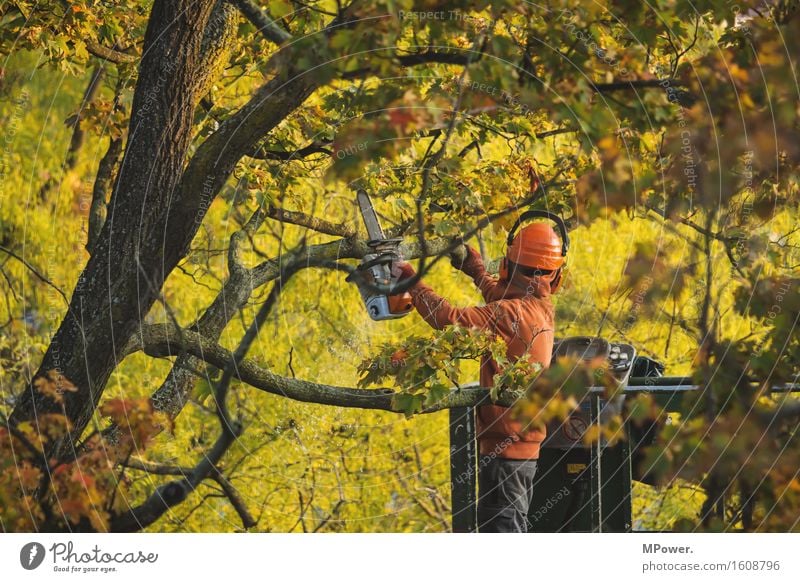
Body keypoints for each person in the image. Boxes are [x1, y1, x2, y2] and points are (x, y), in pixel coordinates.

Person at [393, 218, 568, 533]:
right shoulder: (539, 306)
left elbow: (448, 319)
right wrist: (474, 270)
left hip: (507, 450)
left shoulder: (509, 313)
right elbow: (506, 297)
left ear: (506, 265)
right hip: (515, 447)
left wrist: (411, 281)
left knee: (502, 534)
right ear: (554, 275)